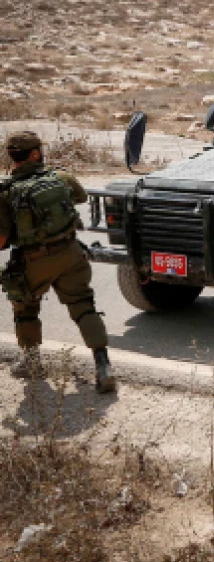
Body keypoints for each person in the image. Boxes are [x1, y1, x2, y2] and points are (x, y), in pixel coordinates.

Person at [1, 131, 116, 393]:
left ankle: (31, 362)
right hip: (71, 253)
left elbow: (2, 239)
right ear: (33, 154)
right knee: (83, 305)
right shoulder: (59, 178)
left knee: (25, 307)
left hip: (33, 261)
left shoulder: (7, 192)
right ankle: (103, 366)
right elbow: (81, 196)